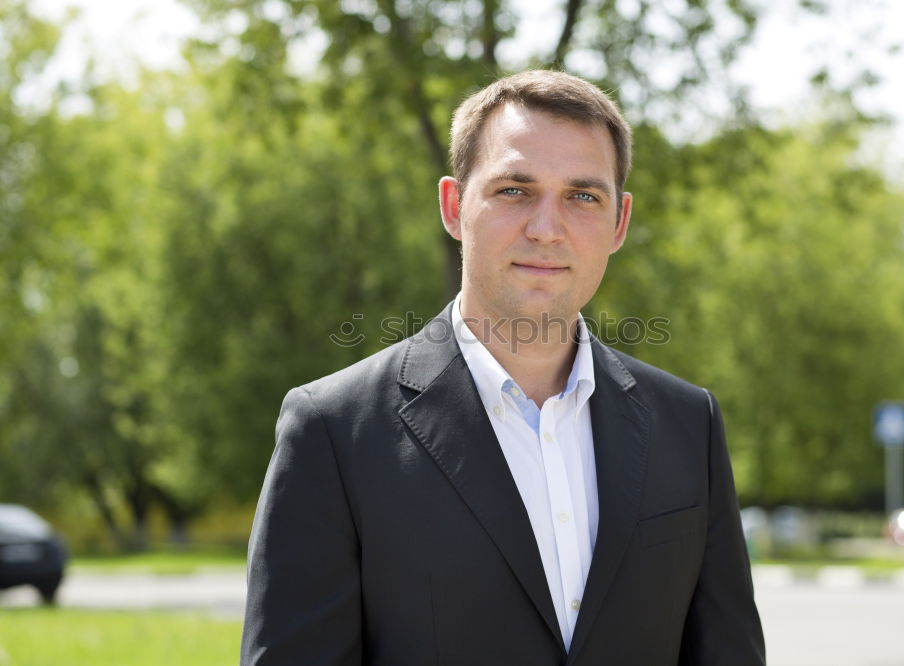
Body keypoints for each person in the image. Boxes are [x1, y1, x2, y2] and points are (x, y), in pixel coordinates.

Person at [240, 70, 765, 666]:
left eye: (582, 196)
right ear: (453, 205)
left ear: (618, 222)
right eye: (514, 190)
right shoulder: (332, 430)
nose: (546, 229)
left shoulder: (688, 422)